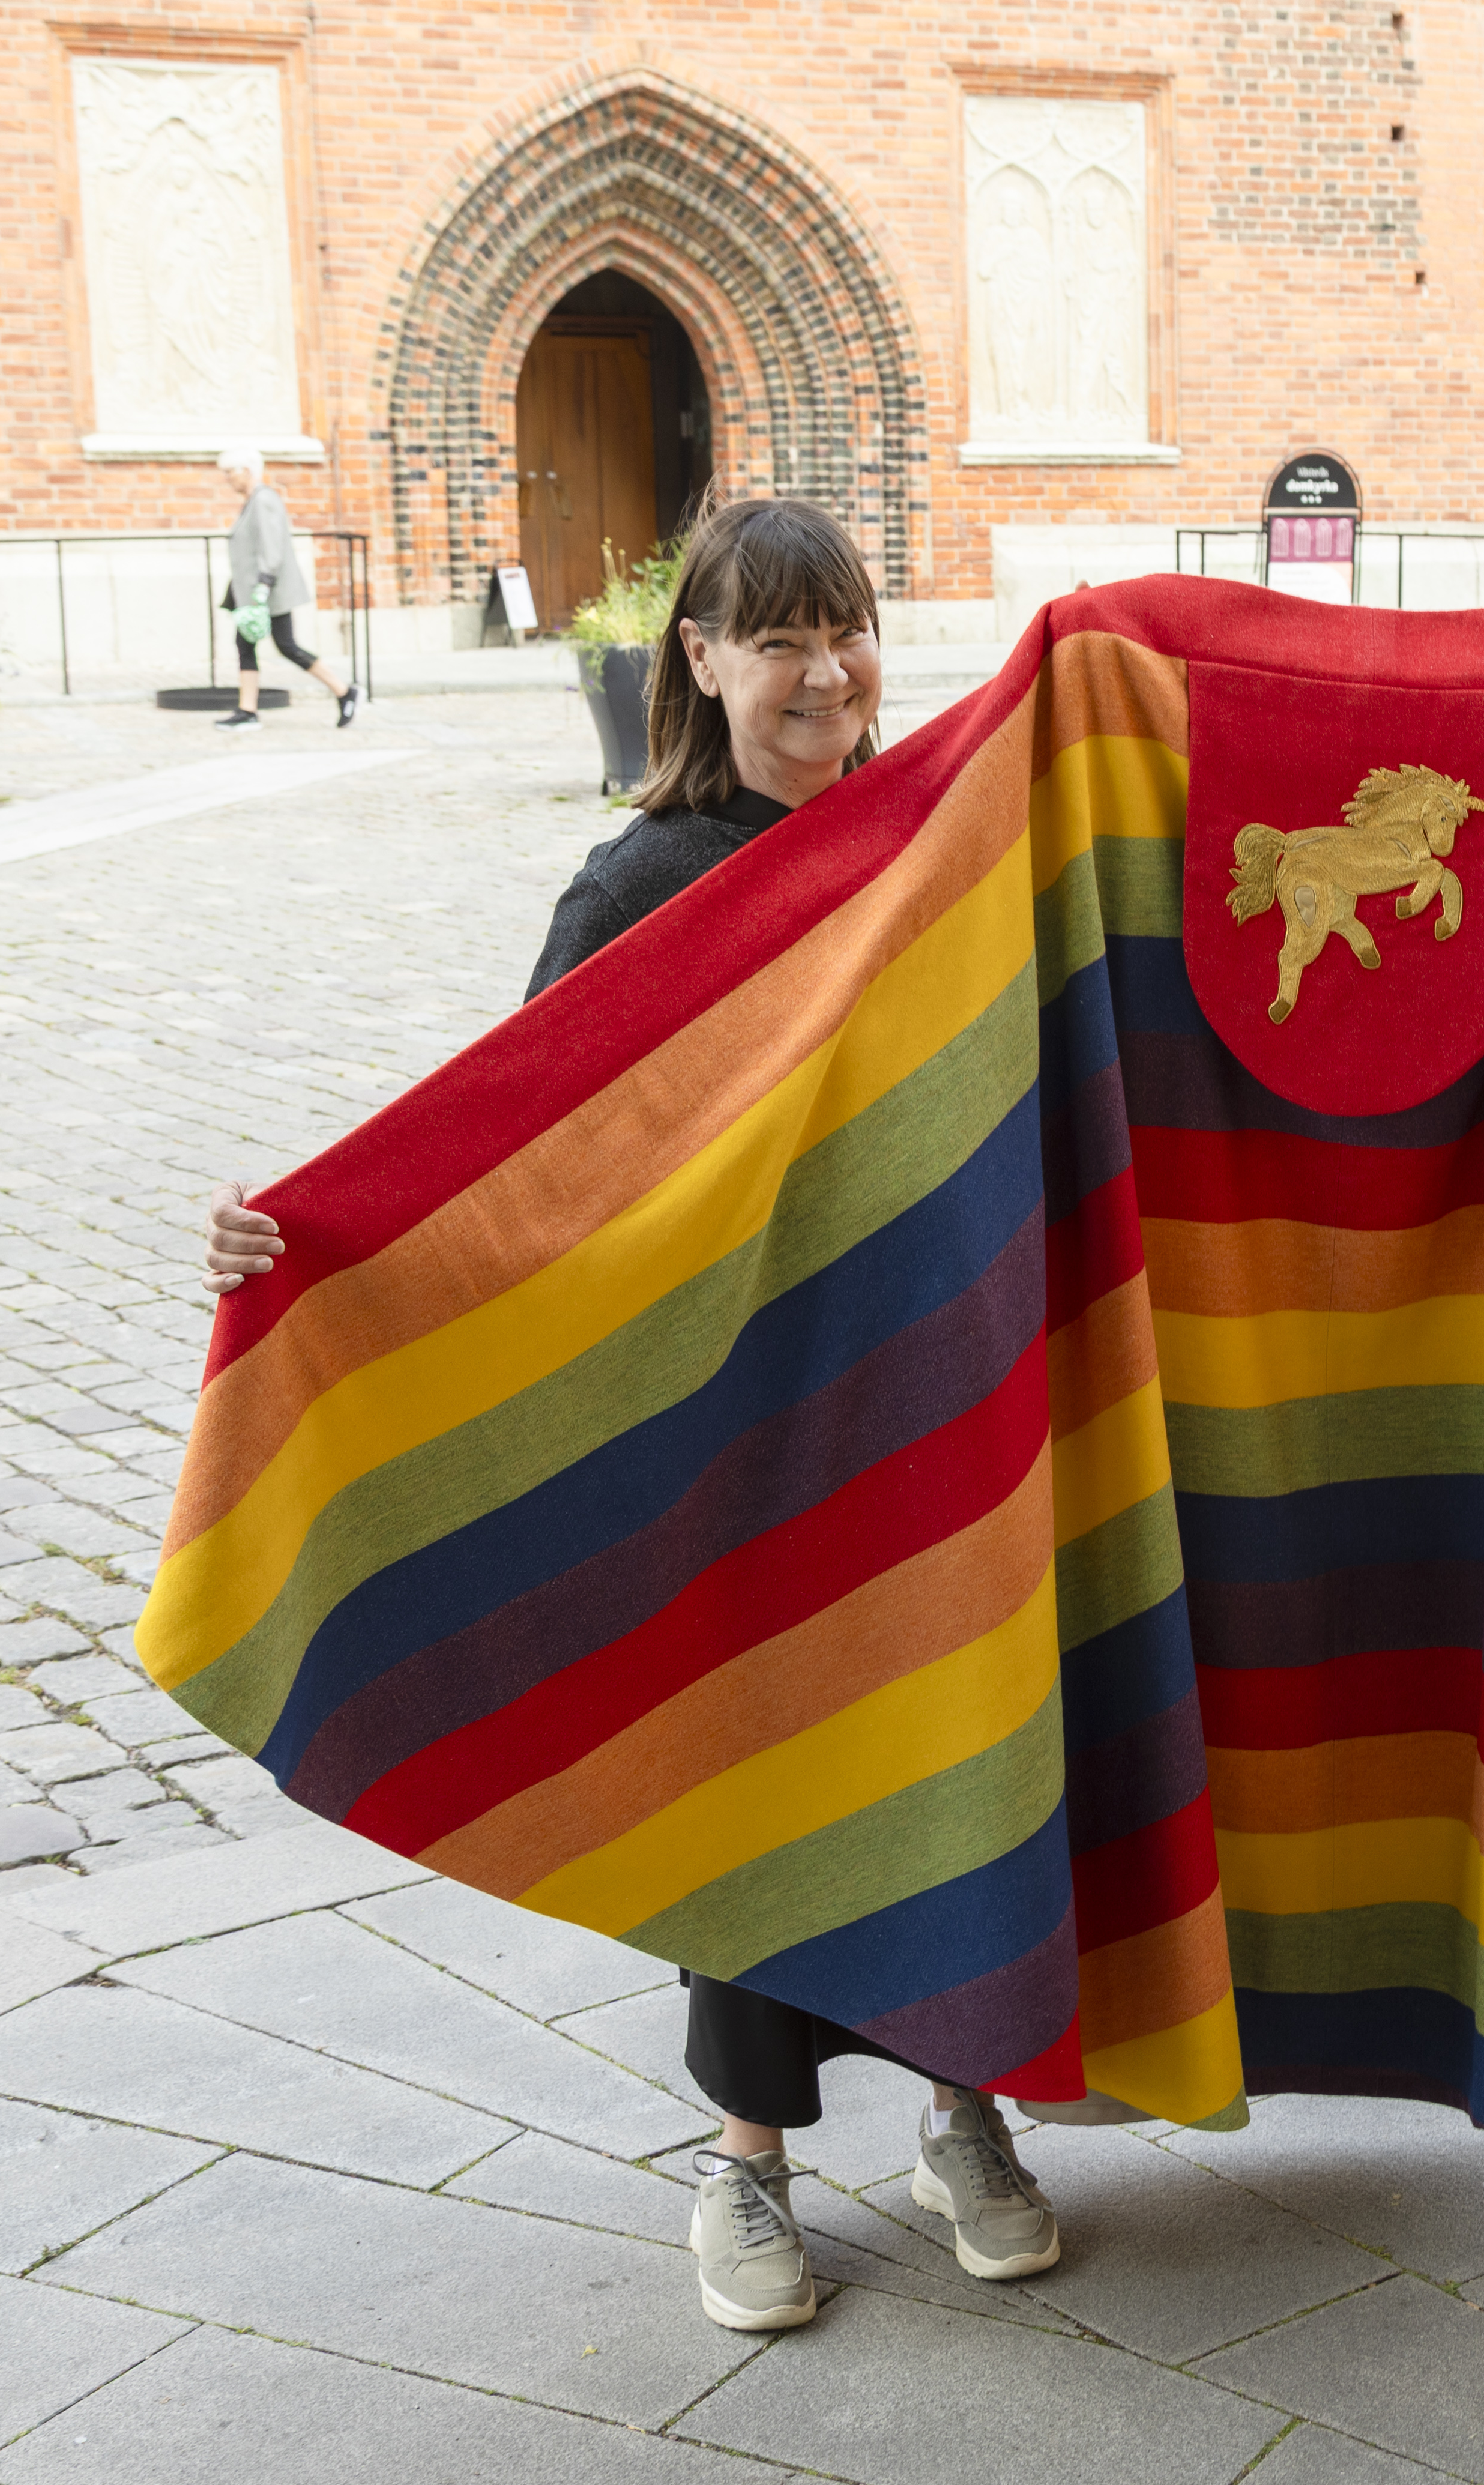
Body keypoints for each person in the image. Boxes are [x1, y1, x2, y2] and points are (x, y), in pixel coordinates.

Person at [196, 498, 1059, 2334]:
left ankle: (958, 2101)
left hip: (928, 1398)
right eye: (778, 639)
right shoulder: (643, 882)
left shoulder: (935, 849)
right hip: (731, 1426)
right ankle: (744, 2162)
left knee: (945, 1746)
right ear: (698, 656)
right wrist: (312, 1243)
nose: (824, 673)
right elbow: (524, 1152)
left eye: (846, 631)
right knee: (757, 1774)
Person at [214, 448, 360, 731]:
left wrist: (263, 586)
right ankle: (248, 710)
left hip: (266, 591)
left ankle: (343, 690)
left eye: (230, 472)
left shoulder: (264, 499)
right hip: (255, 589)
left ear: (246, 470)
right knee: (247, 645)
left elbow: (272, 546)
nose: (228, 479)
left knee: (287, 646)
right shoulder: (254, 500)